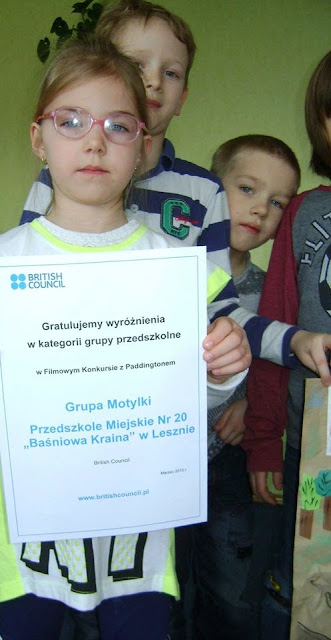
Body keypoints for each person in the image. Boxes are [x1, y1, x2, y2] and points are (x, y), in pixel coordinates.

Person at [0, 38, 251, 640]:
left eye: (118, 125)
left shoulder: (173, 268)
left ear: (142, 147)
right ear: (39, 139)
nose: (94, 141)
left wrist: (221, 373)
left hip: (138, 534)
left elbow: (187, 400)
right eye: (71, 120)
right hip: (32, 538)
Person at [21, 0, 331, 385]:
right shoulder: (57, 180)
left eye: (170, 72)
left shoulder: (205, 193)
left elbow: (221, 313)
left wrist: (295, 340)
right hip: (73, 377)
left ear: (182, 97)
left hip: (162, 390)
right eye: (135, 64)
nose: (153, 81)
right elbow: (24, 293)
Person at [176, 135, 300, 640]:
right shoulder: (175, 272)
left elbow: (276, 363)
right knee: (166, 587)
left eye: (277, 202)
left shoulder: (271, 291)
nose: (260, 209)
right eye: (246, 189)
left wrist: (249, 402)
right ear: (211, 190)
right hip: (165, 455)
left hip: (227, 461)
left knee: (229, 589)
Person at [242, 50, 331, 640]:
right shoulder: (303, 212)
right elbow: (274, 331)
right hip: (312, 448)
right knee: (309, 595)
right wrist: (264, 443)